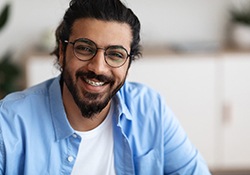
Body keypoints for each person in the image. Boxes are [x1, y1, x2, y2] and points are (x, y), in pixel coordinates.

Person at [0, 0, 211, 174]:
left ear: (129, 63)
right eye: (84, 48)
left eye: (115, 54)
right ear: (63, 51)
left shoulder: (150, 108)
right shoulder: (8, 122)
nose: (98, 68)